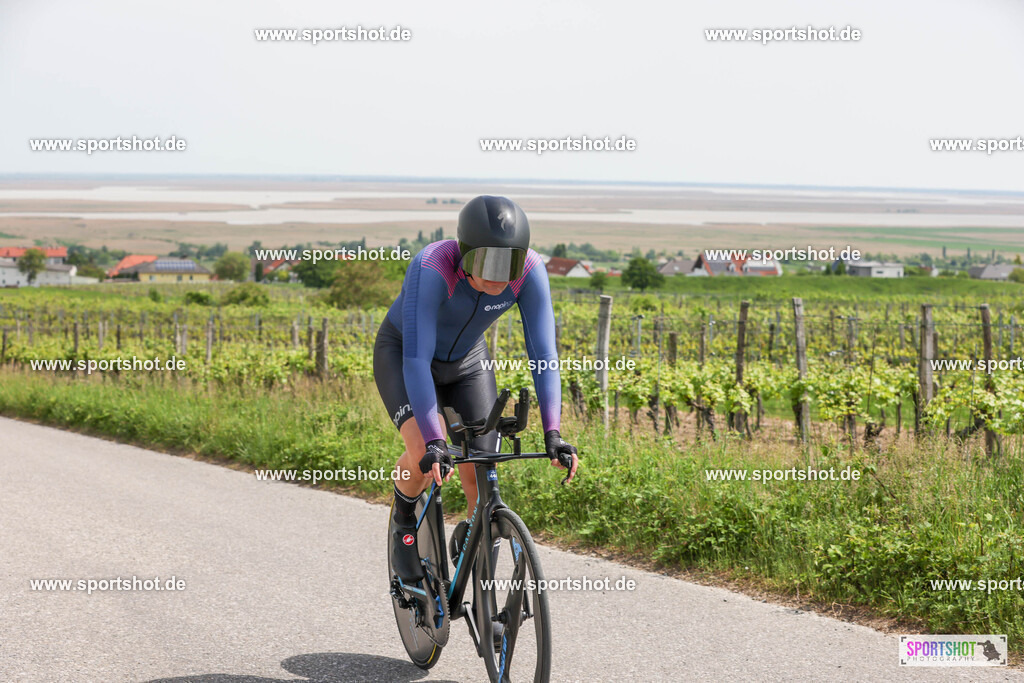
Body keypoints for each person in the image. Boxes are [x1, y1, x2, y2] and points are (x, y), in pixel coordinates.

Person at [374, 195, 579, 582]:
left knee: (482, 473)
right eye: (488, 262)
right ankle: (404, 519)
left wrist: (553, 430)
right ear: (465, 255)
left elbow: (544, 353)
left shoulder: (531, 271)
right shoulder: (432, 265)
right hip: (406, 354)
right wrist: (436, 440)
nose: (500, 276)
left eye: (510, 263)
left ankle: (476, 554)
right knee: (422, 453)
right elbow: (417, 360)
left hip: (469, 361)